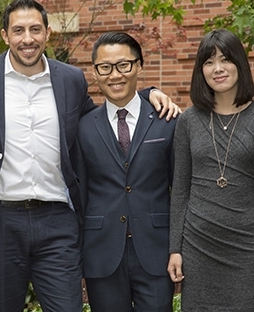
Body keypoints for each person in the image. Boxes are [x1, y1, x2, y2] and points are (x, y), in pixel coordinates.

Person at [0, 0, 180, 312]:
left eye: (34, 29)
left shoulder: (70, 79)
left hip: (58, 222)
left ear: (47, 32)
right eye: (18, 30)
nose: (27, 39)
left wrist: (147, 94)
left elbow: (104, 114)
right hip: (0, 221)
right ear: (5, 35)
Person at [167, 29, 254, 311]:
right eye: (208, 62)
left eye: (225, 59)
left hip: (248, 246)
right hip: (198, 246)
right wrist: (175, 249)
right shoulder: (188, 121)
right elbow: (180, 188)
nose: (218, 68)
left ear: (239, 64)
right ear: (201, 71)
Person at [75, 32, 177, 311]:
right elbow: (80, 195)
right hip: (102, 254)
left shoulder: (166, 120)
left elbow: (181, 192)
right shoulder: (83, 127)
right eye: (104, 67)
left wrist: (178, 249)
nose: (114, 75)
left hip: (155, 252)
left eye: (123, 65)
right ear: (95, 73)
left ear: (139, 66)